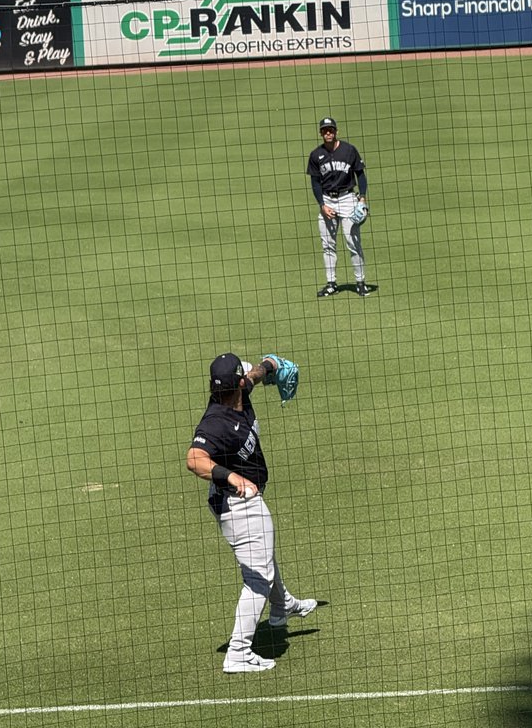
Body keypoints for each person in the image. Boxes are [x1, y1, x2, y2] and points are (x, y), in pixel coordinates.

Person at [186, 352, 317, 673]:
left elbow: (256, 374)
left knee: (263, 560)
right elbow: (195, 459)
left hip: (245, 500)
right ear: (234, 384)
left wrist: (271, 364)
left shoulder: (239, 389)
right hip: (236, 504)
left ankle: (282, 605)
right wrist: (231, 476)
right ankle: (238, 653)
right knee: (257, 576)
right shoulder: (215, 423)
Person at [307, 117, 372, 297]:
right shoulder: (315, 155)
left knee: (353, 242)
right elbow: (315, 183)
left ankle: (360, 282)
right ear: (321, 133)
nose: (328, 133)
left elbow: (361, 175)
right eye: (325, 130)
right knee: (328, 245)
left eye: (331, 130)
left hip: (348, 198)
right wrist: (322, 205)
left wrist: (363, 199)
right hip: (327, 200)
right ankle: (331, 284)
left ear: (336, 131)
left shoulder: (349, 150)